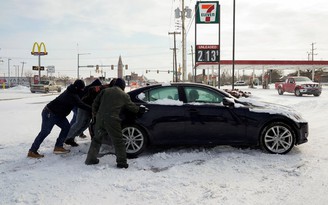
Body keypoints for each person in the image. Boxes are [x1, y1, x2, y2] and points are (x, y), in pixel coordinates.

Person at [85, 78, 145, 168]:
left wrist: (95, 114)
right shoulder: (123, 95)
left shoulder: (105, 91)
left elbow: (95, 103)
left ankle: (90, 159)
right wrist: (139, 109)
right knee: (118, 141)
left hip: (100, 118)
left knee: (96, 140)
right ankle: (122, 162)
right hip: (112, 120)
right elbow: (131, 107)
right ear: (123, 86)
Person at [27, 80, 92, 158]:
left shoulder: (73, 91)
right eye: (81, 88)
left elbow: (81, 96)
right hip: (50, 113)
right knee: (45, 132)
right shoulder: (72, 95)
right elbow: (81, 104)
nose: (82, 90)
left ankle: (58, 147)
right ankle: (32, 151)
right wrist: (93, 109)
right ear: (77, 88)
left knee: (66, 127)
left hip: (59, 115)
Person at [65, 78, 116, 146]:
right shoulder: (103, 88)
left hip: (91, 108)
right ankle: (65, 138)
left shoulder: (112, 92)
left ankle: (71, 138)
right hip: (84, 105)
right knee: (79, 123)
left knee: (86, 125)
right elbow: (90, 89)